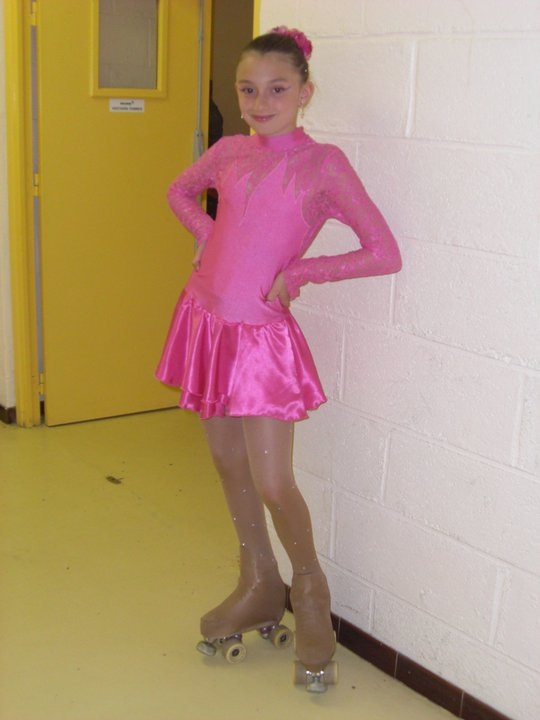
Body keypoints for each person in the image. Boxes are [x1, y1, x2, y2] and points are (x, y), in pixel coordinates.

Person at [156, 26, 402, 693]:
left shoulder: (324, 166)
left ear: (304, 93)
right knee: (227, 462)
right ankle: (258, 580)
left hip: (260, 339)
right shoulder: (231, 151)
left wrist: (301, 273)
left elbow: (383, 251)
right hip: (206, 319)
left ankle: (309, 591)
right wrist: (208, 234)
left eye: (277, 89)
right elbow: (179, 192)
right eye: (248, 89)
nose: (260, 102)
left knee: (272, 481)